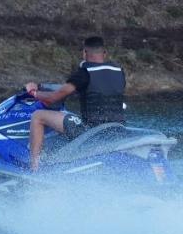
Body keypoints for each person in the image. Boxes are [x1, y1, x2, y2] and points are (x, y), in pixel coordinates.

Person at [24, 36, 126, 172]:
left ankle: (34, 168)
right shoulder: (119, 72)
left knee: (38, 116)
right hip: (116, 129)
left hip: (90, 131)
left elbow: (52, 99)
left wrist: (33, 92)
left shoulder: (84, 74)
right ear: (105, 53)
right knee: (71, 116)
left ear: (84, 53)